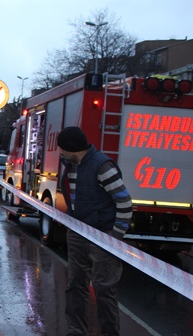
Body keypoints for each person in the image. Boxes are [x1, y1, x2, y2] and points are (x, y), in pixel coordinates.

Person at [57, 126, 132, 336]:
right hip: (78, 233)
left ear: (73, 149)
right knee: (75, 285)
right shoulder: (70, 164)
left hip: (102, 237)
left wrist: (114, 237)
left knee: (104, 289)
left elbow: (125, 203)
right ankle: (76, 331)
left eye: (63, 149)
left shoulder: (102, 166)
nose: (60, 153)